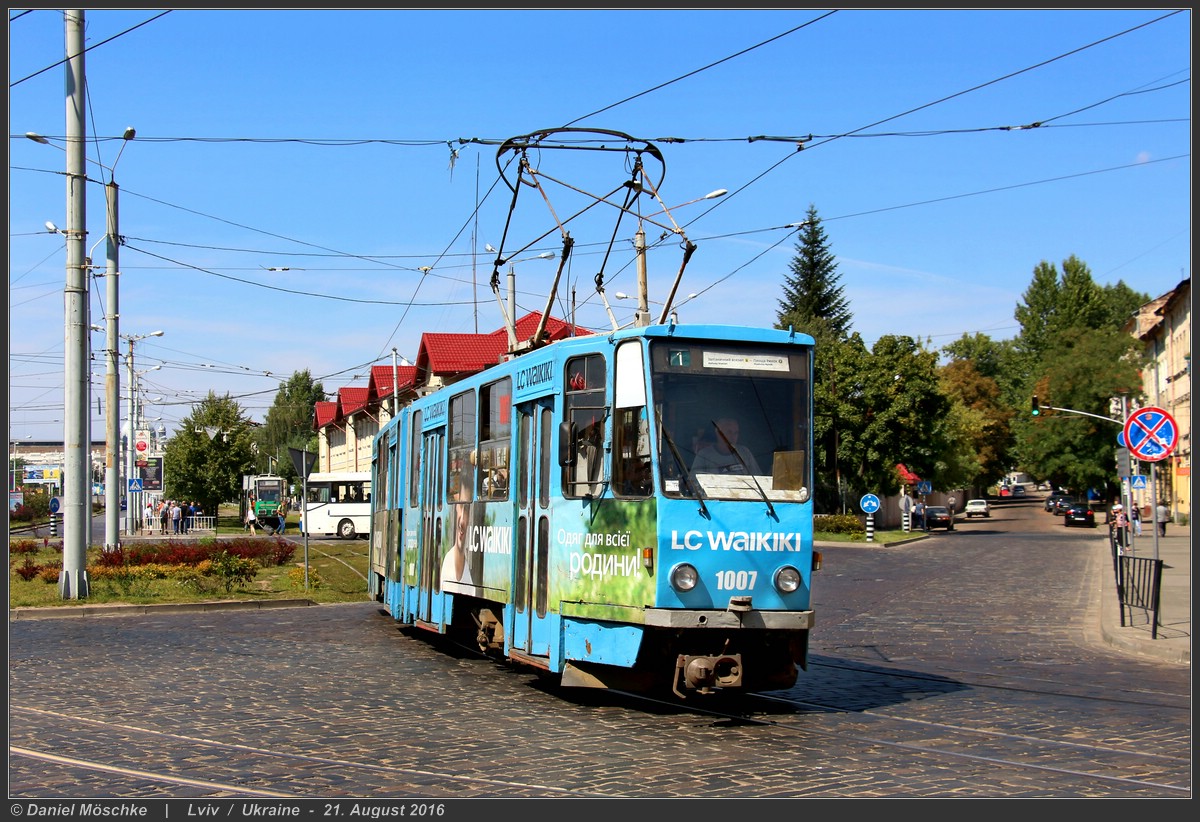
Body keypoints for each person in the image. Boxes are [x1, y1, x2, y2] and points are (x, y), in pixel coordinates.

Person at [691, 417, 762, 475]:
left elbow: (758, 478)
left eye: (736, 433)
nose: (733, 437)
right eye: (729, 432)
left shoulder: (744, 452)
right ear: (718, 432)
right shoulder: (704, 455)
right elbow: (694, 484)